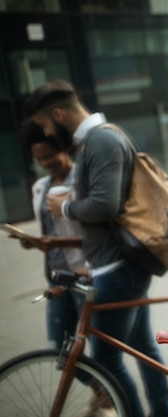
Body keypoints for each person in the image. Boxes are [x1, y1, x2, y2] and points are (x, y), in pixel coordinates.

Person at [24, 80, 168, 417]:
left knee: (106, 361)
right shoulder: (94, 141)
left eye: (46, 124)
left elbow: (105, 206)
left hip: (116, 268)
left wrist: (63, 208)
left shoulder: (101, 140)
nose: (47, 131)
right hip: (117, 265)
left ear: (59, 114)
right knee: (142, 347)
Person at [16, 119, 86, 350]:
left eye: (50, 155)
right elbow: (50, 230)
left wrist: (55, 241)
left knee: (98, 350)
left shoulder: (84, 182)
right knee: (59, 348)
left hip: (85, 275)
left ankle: (106, 387)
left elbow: (97, 236)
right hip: (56, 277)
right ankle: (100, 387)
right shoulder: (40, 187)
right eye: (39, 159)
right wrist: (36, 242)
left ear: (65, 149)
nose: (46, 163)